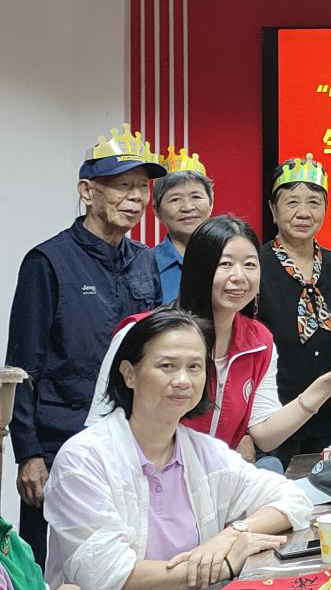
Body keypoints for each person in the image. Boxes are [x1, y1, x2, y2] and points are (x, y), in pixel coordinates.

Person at [44, 308, 311, 590]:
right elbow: (107, 574)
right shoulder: (84, 459)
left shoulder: (203, 451)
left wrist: (232, 534)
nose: (183, 380)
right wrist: (225, 564)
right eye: (167, 366)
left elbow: (294, 500)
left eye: (194, 367)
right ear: (129, 374)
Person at [6, 124, 165, 565]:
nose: (135, 197)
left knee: (125, 557)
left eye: (142, 187)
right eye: (121, 186)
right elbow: (22, 365)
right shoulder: (48, 262)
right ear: (87, 191)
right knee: (53, 563)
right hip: (61, 443)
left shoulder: (144, 261)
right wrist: (29, 453)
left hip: (130, 441)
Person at [88, 216, 331, 463]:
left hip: (211, 487)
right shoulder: (142, 333)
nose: (239, 277)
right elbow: (99, 427)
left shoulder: (258, 341)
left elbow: (265, 433)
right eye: (225, 264)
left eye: (250, 265)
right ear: (199, 268)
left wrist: (324, 388)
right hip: (139, 481)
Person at [256, 154, 331, 466]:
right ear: (273, 210)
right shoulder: (254, 267)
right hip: (273, 424)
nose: (304, 212)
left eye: (314, 202)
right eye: (292, 202)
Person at [152, 147, 214, 304]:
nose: (187, 207)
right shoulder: (146, 266)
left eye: (196, 197)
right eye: (175, 199)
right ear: (156, 210)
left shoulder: (228, 258)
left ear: (211, 204)